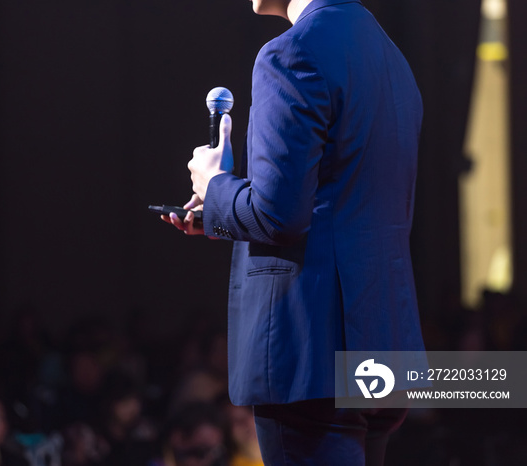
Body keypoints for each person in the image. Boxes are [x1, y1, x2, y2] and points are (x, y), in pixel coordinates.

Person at [162, 0, 426, 464]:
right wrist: (221, 213)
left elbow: (278, 217)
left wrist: (215, 184)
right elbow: (343, 205)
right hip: (384, 342)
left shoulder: (292, 53)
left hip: (313, 353)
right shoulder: (392, 59)